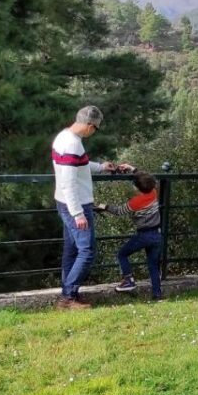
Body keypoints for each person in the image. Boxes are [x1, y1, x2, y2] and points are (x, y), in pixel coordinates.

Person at [52, 105, 130, 310]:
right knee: (87, 251)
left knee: (71, 251)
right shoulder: (73, 145)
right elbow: (69, 183)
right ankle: (68, 298)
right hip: (76, 205)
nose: (94, 132)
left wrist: (101, 167)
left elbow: (79, 166)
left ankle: (68, 295)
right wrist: (78, 213)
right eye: (96, 128)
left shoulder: (64, 137)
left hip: (64, 202)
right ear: (89, 125)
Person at [97, 170, 163, 300]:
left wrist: (105, 206)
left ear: (136, 187)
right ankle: (157, 294)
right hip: (157, 234)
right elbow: (147, 179)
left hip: (144, 235)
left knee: (122, 254)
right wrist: (133, 169)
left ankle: (128, 280)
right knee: (153, 265)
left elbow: (119, 211)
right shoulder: (154, 192)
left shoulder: (136, 202)